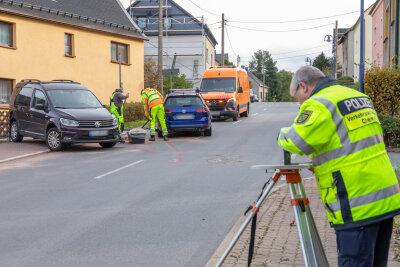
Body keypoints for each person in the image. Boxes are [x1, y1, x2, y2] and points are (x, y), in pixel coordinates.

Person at [277, 66, 400, 266]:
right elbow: (349, 143)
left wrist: (280, 135)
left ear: (304, 86)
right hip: (385, 198)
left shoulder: (319, 103)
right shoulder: (358, 97)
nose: (299, 102)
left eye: (296, 96)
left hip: (358, 203)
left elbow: (295, 141)